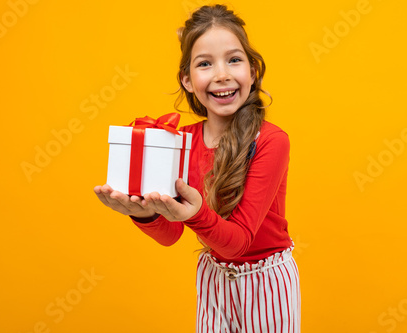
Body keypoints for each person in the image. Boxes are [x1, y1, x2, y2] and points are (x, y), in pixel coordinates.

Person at [94, 4, 300, 332]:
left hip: (267, 281)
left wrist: (193, 213)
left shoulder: (272, 141)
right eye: (205, 64)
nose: (221, 74)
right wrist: (144, 214)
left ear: (253, 71)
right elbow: (171, 234)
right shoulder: (181, 141)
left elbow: (238, 241)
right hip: (213, 279)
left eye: (234, 59)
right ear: (187, 80)